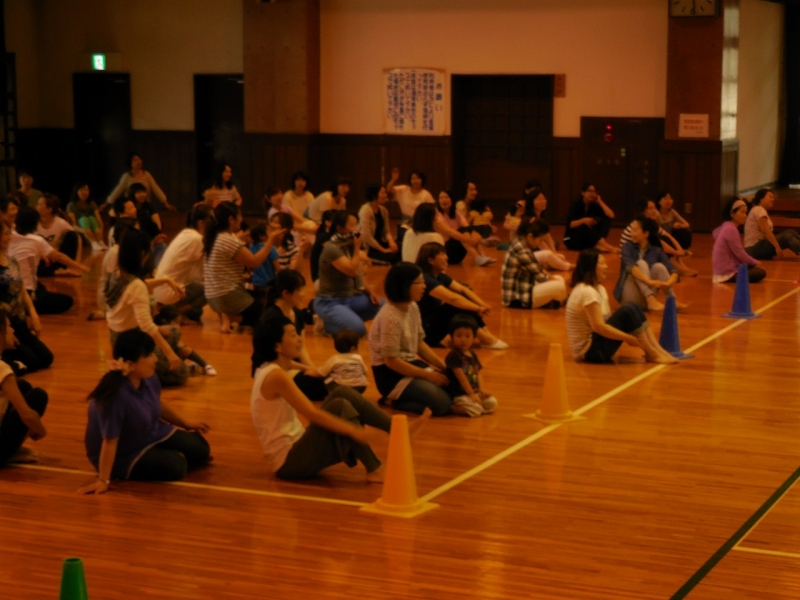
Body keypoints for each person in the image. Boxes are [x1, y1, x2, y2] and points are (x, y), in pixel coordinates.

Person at [251, 316, 430, 481]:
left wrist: (311, 369)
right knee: (340, 406)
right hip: (288, 462)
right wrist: (354, 431)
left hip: (297, 448)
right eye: (293, 335)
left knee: (343, 392)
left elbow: (291, 364)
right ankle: (374, 468)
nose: (299, 339)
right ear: (278, 347)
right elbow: (312, 413)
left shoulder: (268, 368)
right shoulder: (276, 377)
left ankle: (399, 431)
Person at [79, 329, 210, 494]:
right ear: (131, 364)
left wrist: (185, 423)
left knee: (200, 450)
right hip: (123, 452)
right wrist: (103, 480)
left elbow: (156, 403)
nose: (155, 358)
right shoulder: (115, 398)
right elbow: (110, 442)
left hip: (147, 433)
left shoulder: (148, 377)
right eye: (149, 355)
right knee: (177, 466)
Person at [105, 228, 194, 387]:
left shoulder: (116, 274)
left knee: (173, 332)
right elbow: (146, 325)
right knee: (182, 374)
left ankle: (158, 360)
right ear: (142, 254)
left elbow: (136, 287)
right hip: (133, 344)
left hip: (117, 339)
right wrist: (170, 354)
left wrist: (166, 280)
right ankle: (144, 369)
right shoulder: (135, 285)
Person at [368, 262, 453, 416]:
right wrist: (428, 375)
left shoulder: (412, 306)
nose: (424, 286)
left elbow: (419, 343)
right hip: (391, 376)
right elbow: (391, 361)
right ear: (405, 285)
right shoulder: (391, 318)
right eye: (419, 282)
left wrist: (443, 367)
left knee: (450, 384)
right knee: (441, 404)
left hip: (410, 364)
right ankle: (392, 401)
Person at [565, 249, 678, 364]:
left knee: (633, 307)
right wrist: (627, 337)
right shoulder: (586, 291)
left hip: (596, 346)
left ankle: (657, 350)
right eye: (601, 263)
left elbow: (607, 320)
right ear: (590, 267)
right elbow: (599, 327)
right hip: (588, 352)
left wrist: (629, 332)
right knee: (627, 309)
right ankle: (652, 353)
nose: (606, 267)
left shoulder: (600, 289)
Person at [204, 202, 285, 333]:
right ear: (231, 219)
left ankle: (226, 317)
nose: (241, 219)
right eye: (240, 216)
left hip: (212, 296)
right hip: (226, 295)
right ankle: (230, 317)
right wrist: (270, 241)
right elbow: (254, 262)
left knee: (257, 304)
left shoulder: (215, 237)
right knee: (265, 312)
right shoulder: (228, 240)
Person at [415, 242, 508, 348]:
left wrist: (482, 304)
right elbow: (452, 299)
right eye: (442, 254)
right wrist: (477, 308)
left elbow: (463, 290)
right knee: (456, 306)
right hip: (424, 331)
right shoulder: (426, 279)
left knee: (466, 302)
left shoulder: (440, 276)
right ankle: (486, 340)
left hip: (431, 324)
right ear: (431, 260)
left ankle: (487, 336)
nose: (446, 257)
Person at [256, 269, 329, 400]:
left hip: (292, 365)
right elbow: (275, 358)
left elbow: (302, 349)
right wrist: (306, 369)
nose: (303, 294)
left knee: (326, 379)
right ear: (286, 293)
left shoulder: (297, 314)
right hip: (274, 368)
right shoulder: (272, 318)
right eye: (299, 290)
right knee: (319, 386)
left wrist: (313, 369)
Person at [314, 211, 383, 337]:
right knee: (359, 331)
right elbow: (353, 271)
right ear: (340, 228)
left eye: (356, 224)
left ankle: (345, 320)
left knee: (384, 307)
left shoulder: (349, 243)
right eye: (352, 226)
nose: (356, 229)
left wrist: (371, 292)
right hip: (330, 301)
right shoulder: (332, 248)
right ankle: (326, 325)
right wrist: (357, 247)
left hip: (351, 297)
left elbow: (359, 274)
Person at [10, 206, 89, 315]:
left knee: (41, 286)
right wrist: (78, 266)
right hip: (26, 291)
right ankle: (25, 307)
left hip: (10, 288)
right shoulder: (37, 240)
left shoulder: (10, 235)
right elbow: (59, 257)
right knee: (67, 301)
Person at [0, 220, 53, 375]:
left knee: (46, 358)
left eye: (9, 233)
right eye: (5, 234)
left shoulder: (11, 260)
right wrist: (5, 329)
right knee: (32, 363)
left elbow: (22, 290)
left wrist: (34, 315)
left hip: (20, 321)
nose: (9, 237)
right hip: (5, 324)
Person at [0, 310, 48, 467]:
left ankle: (12, 450)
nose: (12, 330)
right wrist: (41, 431)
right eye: (8, 326)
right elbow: (27, 415)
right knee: (38, 396)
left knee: (23, 387)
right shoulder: (2, 368)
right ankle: (8, 453)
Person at [152, 204, 211, 323]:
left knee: (196, 312)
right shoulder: (197, 239)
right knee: (210, 290)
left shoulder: (186, 233)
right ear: (201, 223)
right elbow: (208, 270)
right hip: (170, 291)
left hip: (161, 290)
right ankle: (171, 313)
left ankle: (169, 310)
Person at [614, 215, 685, 312]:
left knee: (659, 267)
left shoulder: (656, 250)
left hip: (644, 299)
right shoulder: (627, 247)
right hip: (629, 297)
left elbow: (674, 271)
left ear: (646, 234)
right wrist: (649, 281)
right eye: (631, 230)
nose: (631, 234)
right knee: (641, 264)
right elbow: (631, 268)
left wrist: (667, 283)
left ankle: (672, 301)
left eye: (635, 230)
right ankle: (650, 300)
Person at [620, 199, 697, 278]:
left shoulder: (650, 223)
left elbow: (667, 235)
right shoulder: (641, 224)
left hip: (641, 252)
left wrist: (679, 249)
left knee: (665, 238)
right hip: (633, 256)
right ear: (643, 211)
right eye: (650, 208)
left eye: (654, 208)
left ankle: (681, 267)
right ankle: (677, 269)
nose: (654, 211)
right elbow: (659, 243)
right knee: (659, 246)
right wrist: (676, 252)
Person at [500, 220, 568, 309]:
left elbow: (539, 270)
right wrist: (554, 280)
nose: (540, 243)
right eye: (540, 240)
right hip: (518, 299)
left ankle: (556, 301)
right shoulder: (522, 251)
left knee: (559, 279)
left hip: (524, 288)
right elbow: (542, 277)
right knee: (559, 286)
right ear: (530, 237)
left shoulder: (520, 243)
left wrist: (553, 279)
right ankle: (560, 300)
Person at [444, 314, 498, 417]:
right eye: (459, 336)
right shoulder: (454, 355)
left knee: (492, 402)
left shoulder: (472, 354)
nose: (463, 339)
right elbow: (461, 377)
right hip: (460, 394)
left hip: (473, 392)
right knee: (476, 409)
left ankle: (478, 407)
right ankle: (451, 408)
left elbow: (478, 373)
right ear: (452, 337)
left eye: (467, 336)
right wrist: (471, 394)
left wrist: (481, 390)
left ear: (474, 337)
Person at [713, 198, 767, 283]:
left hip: (722, 270)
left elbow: (715, 233)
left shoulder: (726, 226)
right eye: (742, 212)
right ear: (732, 214)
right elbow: (740, 253)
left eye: (746, 213)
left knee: (752, 267)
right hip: (727, 273)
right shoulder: (730, 229)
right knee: (761, 273)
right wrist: (754, 262)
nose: (745, 215)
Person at [435, 190, 493, 266]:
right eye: (441, 198)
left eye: (446, 197)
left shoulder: (456, 213)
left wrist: (476, 236)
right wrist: (470, 240)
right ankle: (477, 257)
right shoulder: (437, 216)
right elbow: (449, 232)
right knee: (462, 231)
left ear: (452, 199)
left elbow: (467, 226)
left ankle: (482, 256)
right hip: (445, 252)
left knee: (468, 230)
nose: (443, 200)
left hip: (459, 253)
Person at [35, 194, 83, 277]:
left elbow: (78, 238)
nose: (36, 206)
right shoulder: (33, 222)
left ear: (49, 209)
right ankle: (58, 272)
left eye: (39, 204)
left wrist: (76, 263)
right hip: (41, 258)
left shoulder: (61, 223)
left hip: (56, 258)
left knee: (72, 235)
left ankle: (68, 268)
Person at [744, 188, 800, 259]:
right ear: (761, 198)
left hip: (758, 247)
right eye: (770, 197)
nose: (773, 199)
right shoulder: (759, 210)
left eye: (773, 198)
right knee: (786, 236)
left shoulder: (759, 210)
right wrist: (777, 247)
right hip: (754, 248)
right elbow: (765, 230)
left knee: (791, 232)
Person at [563, 183, 617, 253]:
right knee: (584, 225)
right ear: (583, 193)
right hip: (569, 239)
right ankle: (605, 245)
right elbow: (570, 224)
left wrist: (600, 202)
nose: (592, 194)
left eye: (594, 191)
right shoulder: (575, 205)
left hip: (585, 240)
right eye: (589, 191)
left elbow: (611, 215)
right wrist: (583, 220)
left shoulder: (593, 206)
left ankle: (600, 243)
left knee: (606, 219)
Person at [311, 329, 369, 393]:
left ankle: (334, 395)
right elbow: (365, 371)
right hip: (361, 387)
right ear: (353, 348)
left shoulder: (335, 359)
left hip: (342, 388)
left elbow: (321, 373)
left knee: (327, 377)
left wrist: (309, 372)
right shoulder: (358, 358)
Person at [358, 183, 400, 265]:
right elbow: (367, 237)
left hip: (381, 243)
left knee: (400, 247)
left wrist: (391, 242)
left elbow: (386, 231)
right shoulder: (365, 211)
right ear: (374, 195)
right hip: (370, 248)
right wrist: (383, 250)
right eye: (383, 193)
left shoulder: (383, 210)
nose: (385, 195)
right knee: (393, 256)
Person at [66, 182, 107, 250]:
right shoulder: (71, 205)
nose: (84, 192)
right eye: (81, 190)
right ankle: (93, 243)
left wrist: (101, 229)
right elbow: (72, 224)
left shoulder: (92, 204)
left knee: (91, 218)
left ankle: (101, 242)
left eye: (86, 190)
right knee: (84, 219)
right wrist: (84, 231)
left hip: (93, 231)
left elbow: (99, 220)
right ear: (76, 192)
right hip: (80, 231)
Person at [247, 222, 281, 295]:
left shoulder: (251, 247)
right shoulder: (270, 248)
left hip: (256, 282)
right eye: (269, 231)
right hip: (269, 283)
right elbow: (277, 268)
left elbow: (250, 267)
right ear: (262, 236)